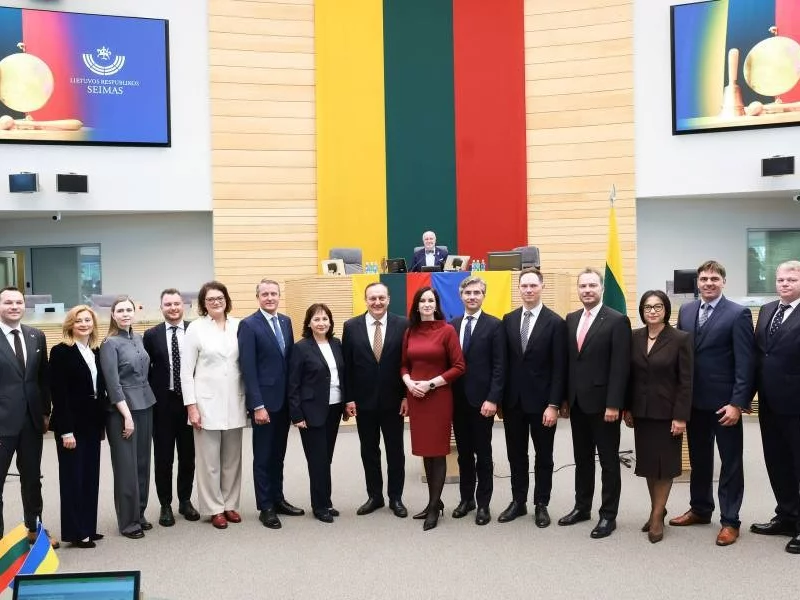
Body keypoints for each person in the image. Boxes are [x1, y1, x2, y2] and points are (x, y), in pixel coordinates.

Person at [670, 260, 755, 547]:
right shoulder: (686, 310)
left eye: (714, 279)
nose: (708, 283)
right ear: (697, 282)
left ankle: (730, 521)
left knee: (730, 463)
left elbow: (745, 363)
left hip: (724, 406)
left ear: (723, 282)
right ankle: (700, 509)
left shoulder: (738, 313)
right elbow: (682, 357)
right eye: (704, 279)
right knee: (699, 460)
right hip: (694, 403)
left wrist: (737, 403)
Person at [559, 268, 631, 539]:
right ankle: (582, 507)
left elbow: (620, 367)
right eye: (583, 286)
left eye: (592, 285)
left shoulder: (617, 320)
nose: (587, 290)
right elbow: (569, 363)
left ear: (601, 289)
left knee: (609, 462)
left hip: (604, 406)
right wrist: (565, 399)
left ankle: (608, 515)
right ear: (578, 290)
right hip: (578, 404)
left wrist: (614, 404)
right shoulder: (571, 319)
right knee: (582, 460)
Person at [499, 268, 566, 528]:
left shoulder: (555, 322)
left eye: (533, 285)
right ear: (519, 289)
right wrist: (500, 400)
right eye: (524, 286)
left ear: (542, 287)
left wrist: (554, 404)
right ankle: (518, 501)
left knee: (543, 456)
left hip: (543, 404)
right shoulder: (508, 319)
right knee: (516, 455)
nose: (528, 290)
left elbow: (559, 368)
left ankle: (541, 504)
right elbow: (503, 363)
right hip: (513, 402)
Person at [623, 291, 692, 544]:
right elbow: (628, 376)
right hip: (641, 413)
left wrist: (681, 417)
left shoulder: (680, 338)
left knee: (665, 467)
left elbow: (686, 381)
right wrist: (627, 408)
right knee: (649, 465)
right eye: (648, 307)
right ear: (642, 311)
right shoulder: (634, 337)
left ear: (666, 310)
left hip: (667, 414)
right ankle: (658, 509)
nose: (652, 311)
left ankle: (655, 517)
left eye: (658, 306)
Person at [238, 278, 304, 530]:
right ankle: (265, 506)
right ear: (258, 297)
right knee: (263, 456)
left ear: (279, 296)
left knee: (278, 455)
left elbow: (288, 362)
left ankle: (278, 499)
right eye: (265, 294)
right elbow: (248, 368)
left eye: (273, 294)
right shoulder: (248, 325)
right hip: (264, 404)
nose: (269, 298)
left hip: (284, 402)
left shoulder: (286, 321)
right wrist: (257, 405)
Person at [181, 281, 246, 530]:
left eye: (220, 298)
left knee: (232, 459)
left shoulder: (239, 325)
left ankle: (229, 504)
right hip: (205, 403)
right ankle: (214, 508)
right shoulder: (196, 329)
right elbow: (186, 373)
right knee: (208, 461)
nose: (216, 302)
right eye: (210, 299)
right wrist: (191, 406)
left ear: (226, 300)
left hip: (235, 400)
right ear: (203, 304)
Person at [342, 282, 408, 518]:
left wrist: (406, 396)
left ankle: (396, 498)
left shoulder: (403, 324)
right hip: (364, 402)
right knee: (369, 451)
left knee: (395, 452)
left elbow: (408, 363)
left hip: (394, 401)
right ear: (366, 300)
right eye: (372, 298)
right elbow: (347, 366)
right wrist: (349, 398)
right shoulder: (351, 327)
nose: (377, 302)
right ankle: (375, 496)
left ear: (388, 299)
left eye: (381, 298)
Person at [401, 286, 465, 531]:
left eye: (431, 300)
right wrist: (409, 383)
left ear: (436, 305)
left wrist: (430, 384)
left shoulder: (447, 331)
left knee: (438, 452)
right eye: (422, 301)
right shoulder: (410, 331)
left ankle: (434, 506)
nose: (427, 304)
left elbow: (459, 366)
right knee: (425, 452)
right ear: (416, 306)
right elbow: (403, 365)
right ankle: (433, 503)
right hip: (416, 397)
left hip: (438, 397)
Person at [0, 287, 57, 548]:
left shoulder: (36, 336)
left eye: (18, 302)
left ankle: (34, 528)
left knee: (32, 479)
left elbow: (43, 378)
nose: (14, 306)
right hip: (2, 422)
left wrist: (45, 412)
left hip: (31, 422)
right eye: (8, 302)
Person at [287, 304, 354, 522]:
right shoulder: (301, 348)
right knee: (317, 460)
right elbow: (293, 383)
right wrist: (297, 415)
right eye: (316, 319)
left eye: (325, 319)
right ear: (309, 323)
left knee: (326, 458)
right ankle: (319, 506)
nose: (321, 323)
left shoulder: (336, 344)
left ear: (330, 322)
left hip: (334, 408)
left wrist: (346, 401)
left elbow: (343, 376)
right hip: (310, 411)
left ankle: (326, 501)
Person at [751, 260, 800, 555]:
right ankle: (787, 516)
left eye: (791, 279)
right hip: (769, 403)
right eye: (780, 279)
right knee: (777, 462)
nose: (784, 283)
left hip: (796, 404)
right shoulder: (768, 310)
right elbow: (761, 355)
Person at [99, 296, 157, 539]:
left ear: (134, 312)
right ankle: (128, 522)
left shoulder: (139, 338)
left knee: (142, 463)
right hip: (122, 411)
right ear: (113, 315)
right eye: (120, 310)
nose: (125, 314)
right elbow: (112, 384)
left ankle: (139, 513)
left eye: (128, 310)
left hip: (146, 404)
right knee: (126, 468)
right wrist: (127, 416)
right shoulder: (109, 344)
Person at [49, 305, 107, 548]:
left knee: (90, 477)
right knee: (73, 479)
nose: (84, 324)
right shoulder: (61, 352)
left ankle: (88, 528)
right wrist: (66, 431)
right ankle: (76, 532)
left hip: (92, 423)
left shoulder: (94, 351)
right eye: (79, 320)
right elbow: (59, 394)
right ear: (70, 325)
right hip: (71, 426)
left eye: (87, 320)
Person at [450, 276, 505, 526]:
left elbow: (499, 366)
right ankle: (466, 499)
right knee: (463, 454)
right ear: (461, 296)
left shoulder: (494, 325)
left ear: (484, 295)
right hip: (457, 401)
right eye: (468, 293)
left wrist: (493, 399)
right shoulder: (452, 325)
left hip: (483, 402)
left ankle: (483, 503)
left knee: (483, 454)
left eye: (477, 293)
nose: (472, 297)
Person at [143, 289, 200, 527]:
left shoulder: (195, 330)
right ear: (161, 308)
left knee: (188, 456)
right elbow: (146, 371)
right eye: (168, 304)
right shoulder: (151, 335)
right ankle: (165, 504)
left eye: (177, 303)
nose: (173, 308)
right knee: (164, 458)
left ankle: (185, 501)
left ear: (183, 305)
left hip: (190, 403)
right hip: (162, 404)